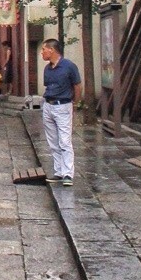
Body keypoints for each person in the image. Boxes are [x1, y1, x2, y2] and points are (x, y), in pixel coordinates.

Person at [41, 38, 82, 186]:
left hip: (63, 105)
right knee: (52, 141)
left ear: (51, 50)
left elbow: (77, 86)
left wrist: (75, 103)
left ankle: (68, 174)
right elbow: (48, 86)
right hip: (48, 105)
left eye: (43, 49)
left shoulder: (69, 66)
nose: (42, 53)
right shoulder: (47, 69)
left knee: (64, 140)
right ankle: (58, 171)